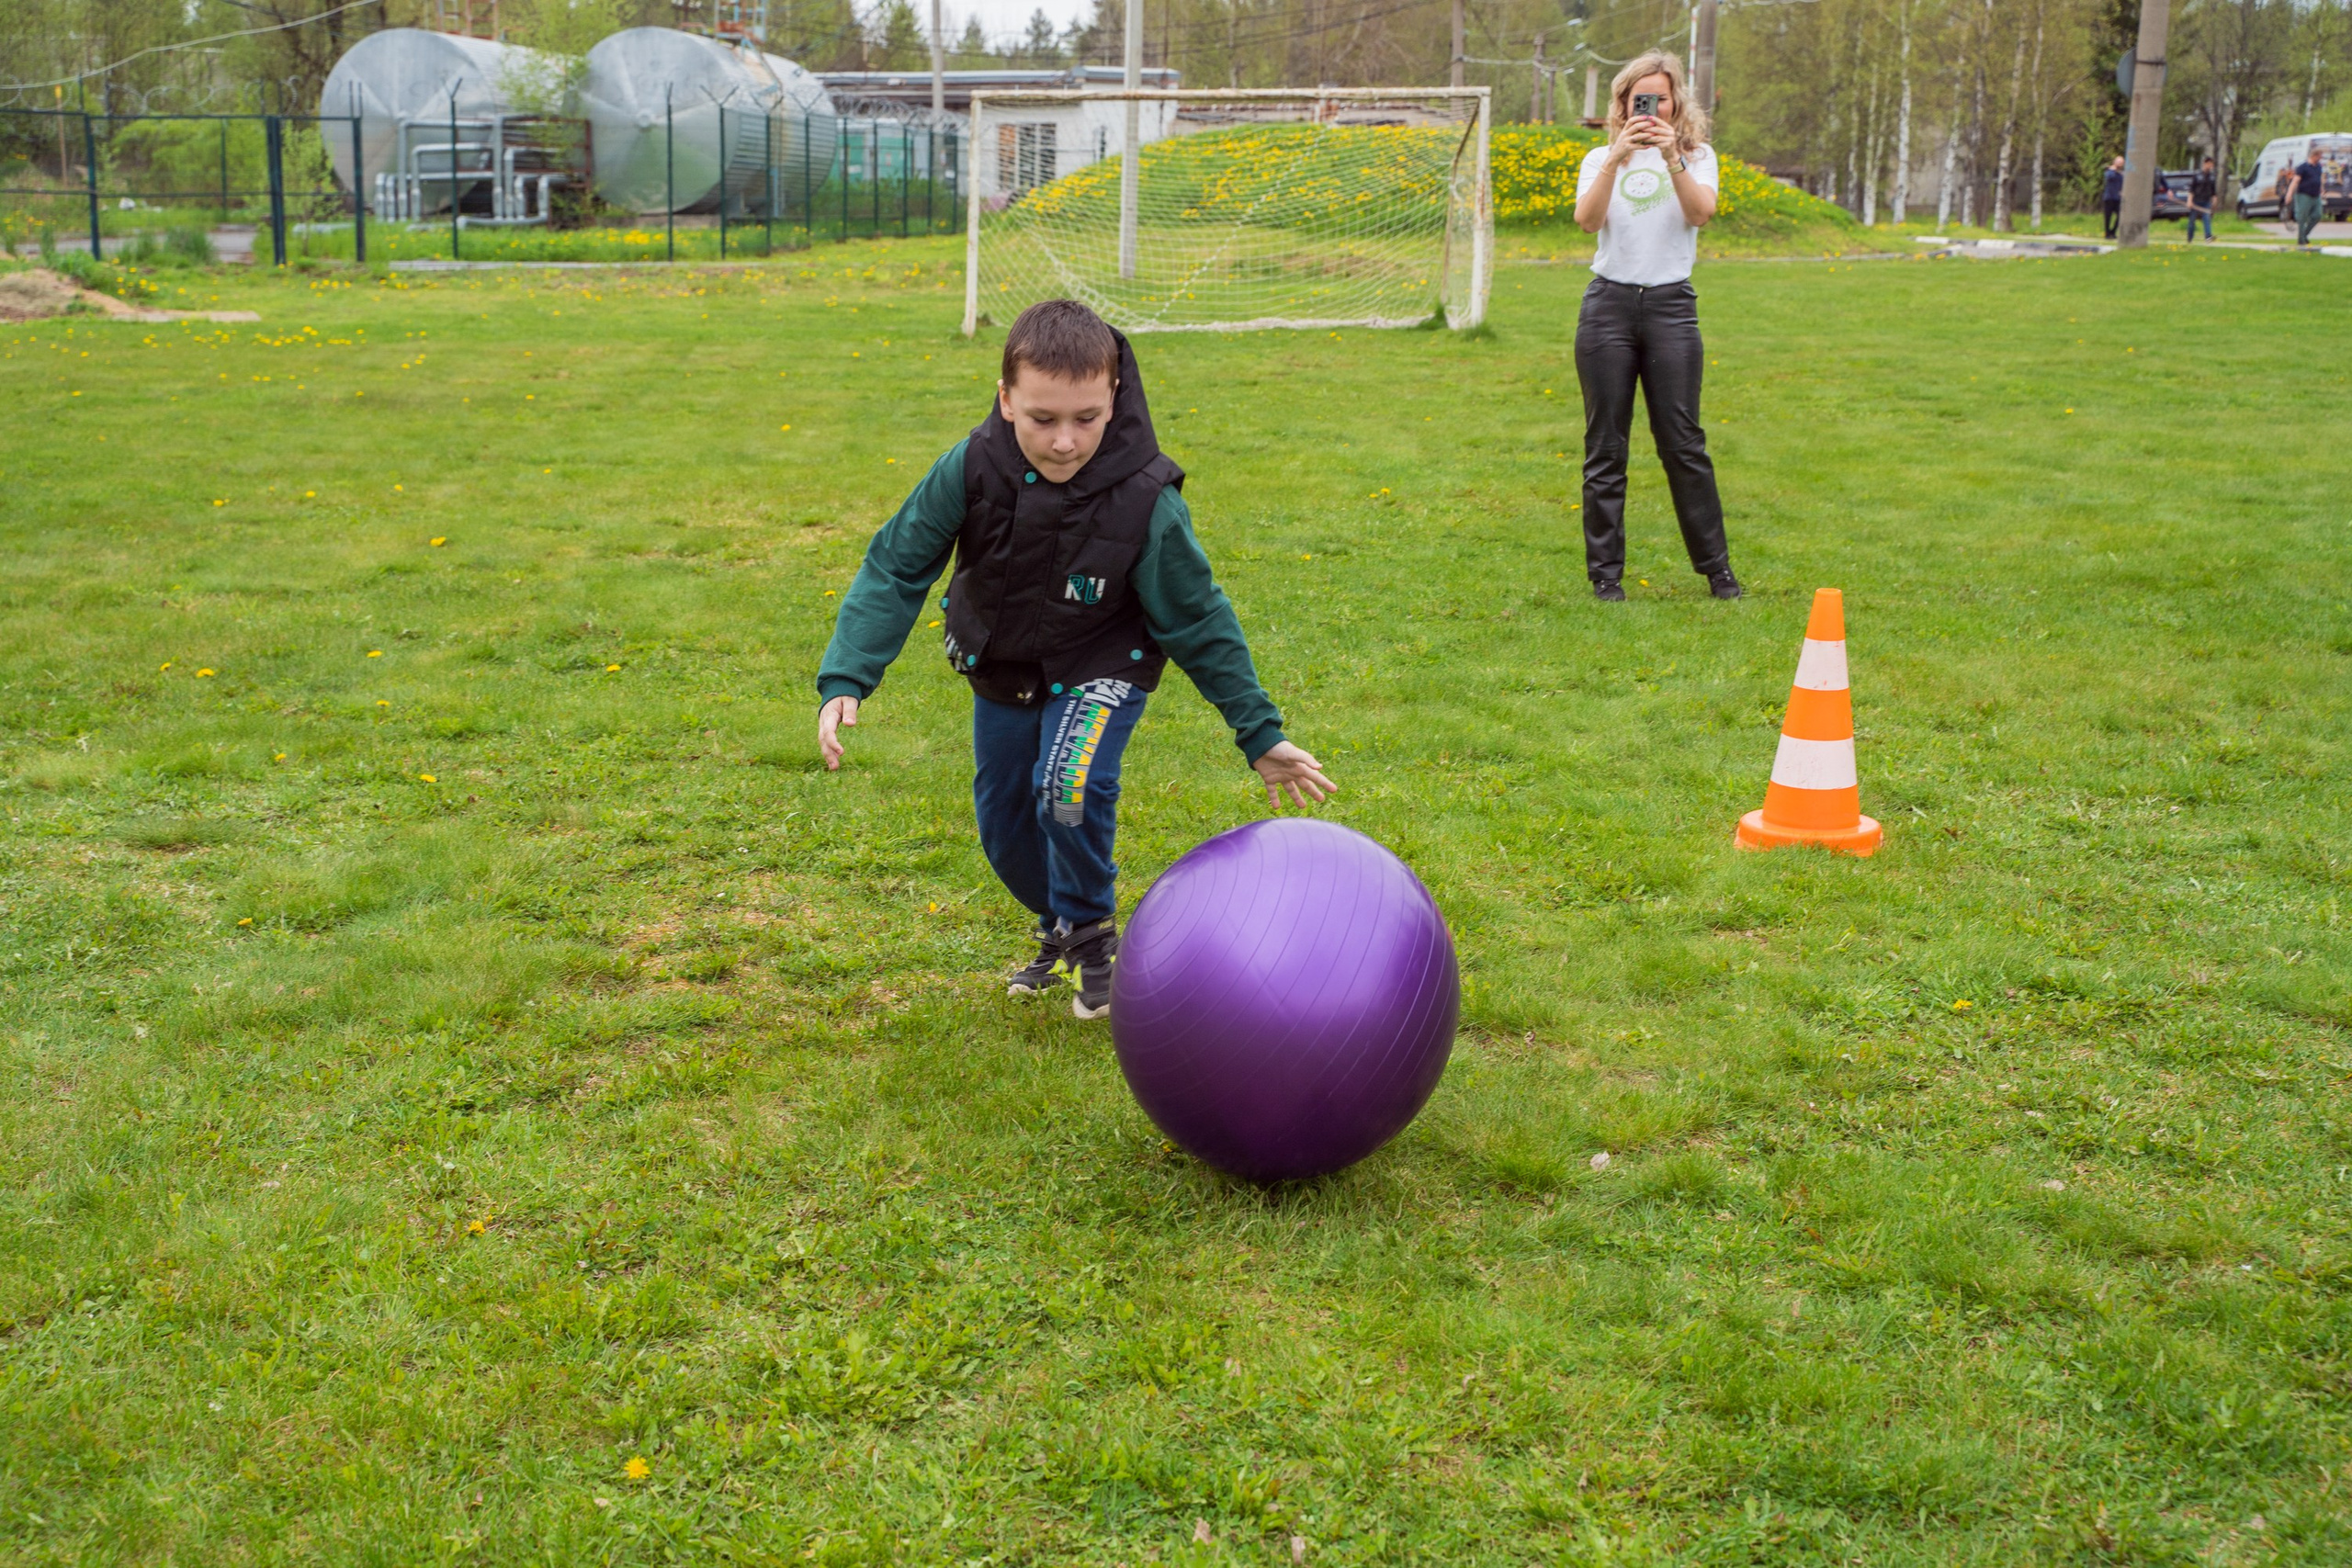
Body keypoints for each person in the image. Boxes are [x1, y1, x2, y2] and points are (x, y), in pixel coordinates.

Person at [815, 299, 1335, 1020]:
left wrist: (1259, 731)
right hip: (1002, 671)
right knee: (1004, 828)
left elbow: (1197, 617)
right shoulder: (969, 467)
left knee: (1067, 782)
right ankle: (1059, 922)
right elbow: (897, 565)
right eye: (1042, 419)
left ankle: (1093, 937)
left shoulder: (1146, 497)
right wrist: (849, 674)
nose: (1065, 442)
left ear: (1114, 396)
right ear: (1006, 399)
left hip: (1101, 664)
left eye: (1087, 419)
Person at [1570, 51, 1741, 602]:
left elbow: (1699, 214)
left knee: (1683, 443)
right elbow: (1587, 221)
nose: (1648, 107)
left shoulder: (1698, 155)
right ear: (1622, 103)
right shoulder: (1601, 156)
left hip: (1670, 307)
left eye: (1659, 98)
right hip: (1608, 308)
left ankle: (1717, 571)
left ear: (1675, 102)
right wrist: (1616, 159)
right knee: (1606, 446)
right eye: (1636, 98)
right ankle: (1605, 578)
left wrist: (1672, 159)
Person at [2291, 143, 2326, 245]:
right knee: (2302, 217)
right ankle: (2301, 240)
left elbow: (2319, 179)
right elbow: (2295, 181)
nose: (2321, 158)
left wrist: (2322, 190)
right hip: (2303, 194)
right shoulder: (2303, 167)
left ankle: (2304, 234)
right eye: (2320, 155)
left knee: (2317, 215)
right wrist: (2289, 194)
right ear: (2314, 155)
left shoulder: (2318, 167)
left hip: (2316, 195)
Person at [2187, 156, 2216, 242]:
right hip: (2196, 201)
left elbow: (2214, 191)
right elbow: (2191, 189)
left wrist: (2214, 201)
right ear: (2205, 164)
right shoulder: (2197, 175)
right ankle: (2190, 238)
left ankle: (2208, 237)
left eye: (2212, 164)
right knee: (2192, 221)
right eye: (2209, 164)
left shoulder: (2212, 177)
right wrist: (2190, 201)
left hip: (2206, 201)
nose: (2210, 166)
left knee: (2206, 218)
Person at [2101, 156, 2125, 238]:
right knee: (2108, 217)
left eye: (2121, 162)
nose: (2120, 164)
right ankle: (2107, 233)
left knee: (2120, 215)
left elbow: (2122, 184)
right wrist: (2113, 169)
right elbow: (2108, 177)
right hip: (2109, 197)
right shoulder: (2109, 171)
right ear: (2114, 162)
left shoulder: (2121, 174)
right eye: (2119, 162)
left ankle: (2113, 232)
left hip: (2117, 198)